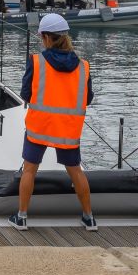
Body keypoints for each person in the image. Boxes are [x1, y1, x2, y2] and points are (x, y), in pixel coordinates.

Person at [7, 14, 97, 232]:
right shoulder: (84, 66)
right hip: (67, 129)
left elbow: (26, 93)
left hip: (40, 126)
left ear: (46, 37)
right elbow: (88, 98)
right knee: (76, 171)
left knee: (29, 171)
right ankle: (89, 218)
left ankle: (21, 217)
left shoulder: (36, 61)